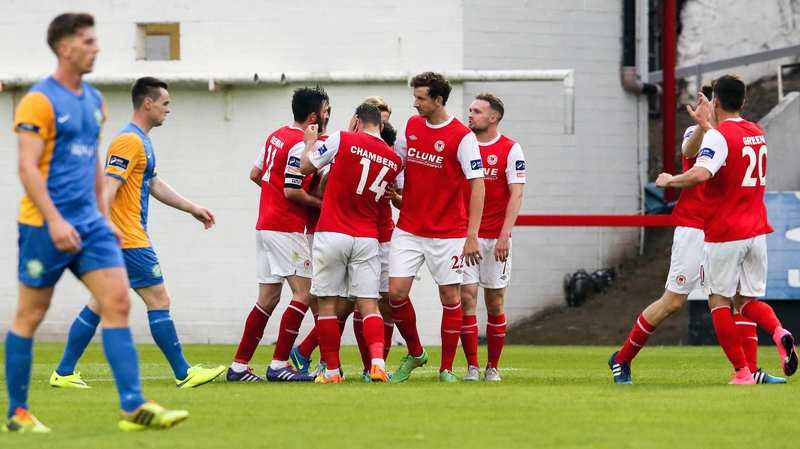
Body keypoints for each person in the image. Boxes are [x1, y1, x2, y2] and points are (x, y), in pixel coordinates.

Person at [5, 13, 187, 433]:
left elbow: (94, 168)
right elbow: (27, 169)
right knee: (31, 315)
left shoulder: (95, 101)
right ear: (65, 48)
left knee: (118, 302)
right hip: (42, 226)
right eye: (87, 41)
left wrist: (102, 221)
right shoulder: (38, 100)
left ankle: (133, 406)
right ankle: (18, 412)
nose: (96, 47)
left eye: (95, 40)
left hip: (90, 226)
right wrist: (54, 221)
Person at [49, 77, 226, 390]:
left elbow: (155, 184)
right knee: (159, 299)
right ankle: (184, 372)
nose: (168, 110)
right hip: (128, 238)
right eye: (165, 103)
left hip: (124, 236)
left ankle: (63, 372)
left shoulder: (141, 141)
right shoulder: (128, 141)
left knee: (99, 303)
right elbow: (107, 188)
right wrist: (108, 228)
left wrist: (192, 208)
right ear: (148, 103)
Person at [609, 83, 785, 385]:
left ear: (717, 103)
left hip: (728, 228)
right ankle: (622, 357)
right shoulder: (700, 134)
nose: (707, 106)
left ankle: (749, 369)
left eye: (709, 101)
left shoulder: (735, 134)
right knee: (673, 301)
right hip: (694, 227)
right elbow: (688, 151)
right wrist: (703, 127)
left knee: (740, 297)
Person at [655, 74, 797, 384]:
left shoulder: (719, 137)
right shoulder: (756, 132)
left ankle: (742, 372)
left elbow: (700, 173)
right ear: (743, 102)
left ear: (714, 101)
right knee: (747, 302)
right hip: (757, 231)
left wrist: (671, 181)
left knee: (718, 301)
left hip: (726, 230)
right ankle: (778, 331)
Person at [387, 71, 485, 382]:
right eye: (414, 97)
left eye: (421, 98)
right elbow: (397, 164)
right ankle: (416, 353)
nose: (415, 104)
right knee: (395, 294)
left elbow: (478, 186)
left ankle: (446, 369)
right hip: (409, 228)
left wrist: (472, 235)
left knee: (450, 298)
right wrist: (399, 194)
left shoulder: (462, 136)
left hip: (449, 232)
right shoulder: (411, 126)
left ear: (438, 100)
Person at [228, 86, 329, 382]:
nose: (326, 116)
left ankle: (238, 366)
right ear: (313, 115)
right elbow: (292, 191)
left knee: (268, 298)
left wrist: (273, 198)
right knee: (305, 292)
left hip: (264, 225)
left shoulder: (275, 135)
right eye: (325, 111)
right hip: (285, 228)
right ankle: (279, 364)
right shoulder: (300, 144)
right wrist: (319, 203)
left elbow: (255, 175)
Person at [298, 103, 402, 383]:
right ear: (381, 124)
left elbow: (305, 167)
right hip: (368, 237)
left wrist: (309, 143)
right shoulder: (394, 160)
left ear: (356, 119)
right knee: (370, 304)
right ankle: (377, 364)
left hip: (332, 231)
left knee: (328, 303)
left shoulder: (342, 138)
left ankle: (331, 371)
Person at [459, 93, 525, 382]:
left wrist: (504, 235)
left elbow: (517, 194)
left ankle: (492, 367)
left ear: (493, 118)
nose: (470, 114)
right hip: (465, 236)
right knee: (466, 298)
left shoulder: (511, 149)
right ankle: (472, 366)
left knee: (495, 302)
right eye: (470, 110)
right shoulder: (462, 144)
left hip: (495, 237)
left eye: (477, 111)